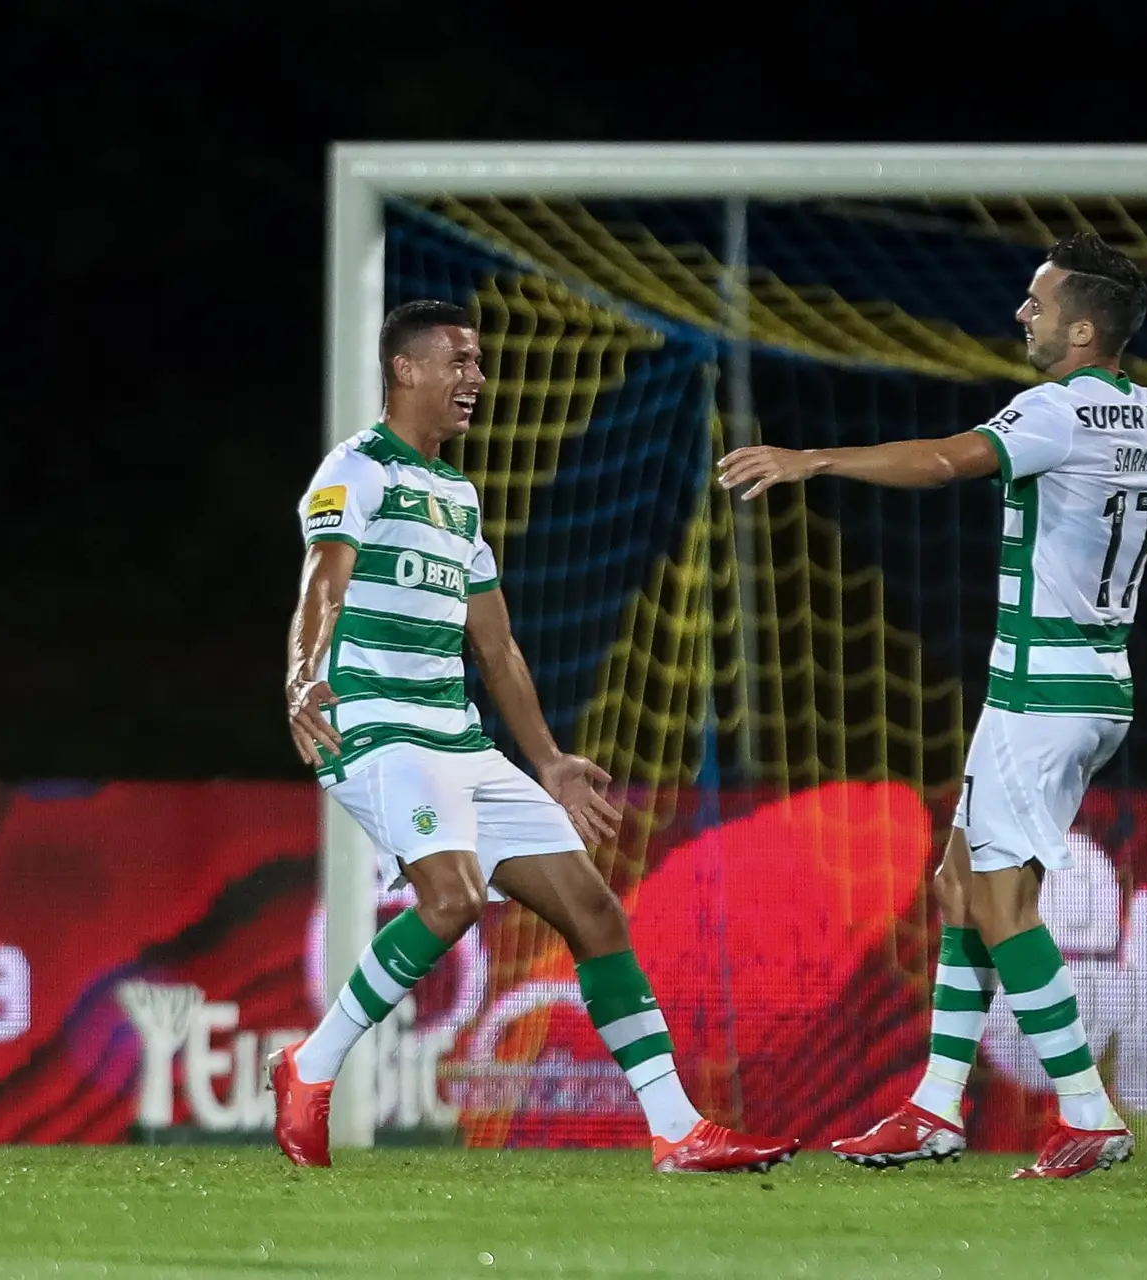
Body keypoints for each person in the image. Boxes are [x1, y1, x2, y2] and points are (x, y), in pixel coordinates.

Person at [718, 232, 1147, 1179]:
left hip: (1043, 685)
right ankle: (936, 1106)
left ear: (1083, 324)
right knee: (956, 884)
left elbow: (945, 462)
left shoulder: (1057, 411)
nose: (1022, 313)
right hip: (1094, 682)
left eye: (1038, 300)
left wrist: (812, 460)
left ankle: (1088, 1111)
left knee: (997, 899)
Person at [275, 298, 800, 1174]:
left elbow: (498, 644)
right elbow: (321, 584)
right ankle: (312, 1066)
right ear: (406, 370)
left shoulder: (458, 495)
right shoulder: (356, 470)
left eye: (478, 363)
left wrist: (548, 760)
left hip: (459, 741)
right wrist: (304, 674)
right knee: (451, 901)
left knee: (594, 912)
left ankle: (678, 1130)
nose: (476, 378)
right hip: (377, 731)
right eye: (459, 360)